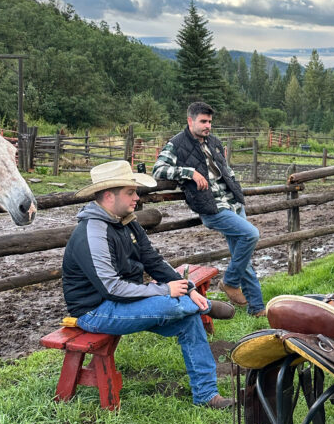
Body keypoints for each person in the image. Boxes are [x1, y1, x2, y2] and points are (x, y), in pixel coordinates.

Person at [62, 160, 233, 409]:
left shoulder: (127, 221)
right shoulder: (93, 231)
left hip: (123, 302)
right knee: (172, 305)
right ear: (109, 196)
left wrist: (190, 288)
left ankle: (207, 395)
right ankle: (204, 307)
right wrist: (166, 290)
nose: (136, 197)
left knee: (186, 317)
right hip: (95, 311)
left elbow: (153, 261)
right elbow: (111, 288)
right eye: (130, 192)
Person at [153, 102, 265, 316]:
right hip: (212, 207)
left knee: (242, 255)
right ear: (190, 121)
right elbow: (159, 169)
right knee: (251, 235)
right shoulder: (177, 144)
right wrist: (189, 173)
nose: (208, 126)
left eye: (210, 122)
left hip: (233, 202)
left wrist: (236, 188)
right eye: (203, 121)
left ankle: (257, 308)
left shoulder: (213, 141)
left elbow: (224, 168)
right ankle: (230, 282)